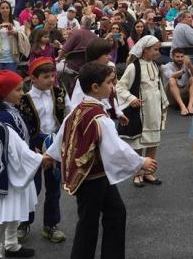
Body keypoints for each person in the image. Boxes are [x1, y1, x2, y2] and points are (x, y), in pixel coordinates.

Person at [45, 62, 157, 259]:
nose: (113, 86)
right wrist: (140, 162)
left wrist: (52, 154)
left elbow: (64, 133)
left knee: (116, 212)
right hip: (91, 177)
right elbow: (115, 149)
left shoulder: (81, 108)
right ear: (95, 87)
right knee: (88, 223)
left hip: (94, 174)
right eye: (109, 82)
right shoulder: (99, 117)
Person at [0, 70, 44, 259]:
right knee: (3, 213)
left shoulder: (11, 110)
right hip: (7, 172)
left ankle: (11, 245)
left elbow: (22, 140)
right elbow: (15, 148)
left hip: (15, 169)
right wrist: (39, 159)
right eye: (18, 90)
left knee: (14, 208)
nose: (22, 93)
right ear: (5, 93)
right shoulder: (2, 119)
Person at [15, 58, 71, 244]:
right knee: (32, 187)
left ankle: (50, 225)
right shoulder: (24, 99)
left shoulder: (59, 92)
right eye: (46, 76)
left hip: (54, 142)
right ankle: (24, 222)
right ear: (33, 78)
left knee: (54, 187)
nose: (50, 80)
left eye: (52, 76)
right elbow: (20, 127)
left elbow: (69, 115)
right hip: (33, 144)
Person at [116, 35, 168, 187]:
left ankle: (149, 172)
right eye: (155, 49)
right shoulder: (134, 67)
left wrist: (164, 104)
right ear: (145, 50)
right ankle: (138, 172)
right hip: (141, 111)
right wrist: (131, 98)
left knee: (153, 142)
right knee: (139, 144)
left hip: (154, 109)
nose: (157, 52)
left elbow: (158, 86)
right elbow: (120, 87)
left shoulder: (154, 65)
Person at [0, 1, 25, 78]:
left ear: (10, 10)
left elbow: (22, 40)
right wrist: (0, 26)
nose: (5, 10)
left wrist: (14, 32)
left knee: (10, 82)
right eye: (2, 8)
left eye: (7, 8)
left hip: (11, 58)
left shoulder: (16, 23)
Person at [162, 48, 193, 116]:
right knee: (172, 80)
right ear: (173, 57)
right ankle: (182, 107)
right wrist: (183, 70)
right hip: (172, 96)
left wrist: (190, 66)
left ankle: (190, 105)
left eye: (182, 56)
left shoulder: (186, 64)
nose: (180, 59)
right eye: (177, 57)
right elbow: (171, 75)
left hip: (185, 92)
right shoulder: (166, 66)